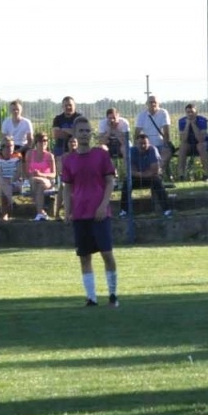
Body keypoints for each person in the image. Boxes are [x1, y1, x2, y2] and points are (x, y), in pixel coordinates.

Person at [61, 116, 119, 307]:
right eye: (81, 131)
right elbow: (67, 187)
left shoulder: (101, 155)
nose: (85, 134)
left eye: (87, 131)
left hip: (100, 214)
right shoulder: (69, 160)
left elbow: (110, 181)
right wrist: (67, 211)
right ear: (75, 134)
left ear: (91, 133)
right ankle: (91, 297)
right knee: (84, 257)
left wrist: (103, 205)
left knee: (107, 254)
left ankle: (112, 295)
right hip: (80, 214)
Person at [122, 130, 173, 216]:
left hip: (151, 177)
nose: (142, 146)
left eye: (145, 143)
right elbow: (130, 170)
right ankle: (124, 211)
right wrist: (143, 174)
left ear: (149, 143)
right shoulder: (131, 151)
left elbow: (155, 170)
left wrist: (141, 174)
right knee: (126, 183)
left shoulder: (153, 150)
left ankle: (166, 210)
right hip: (139, 177)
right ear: (136, 144)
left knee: (158, 182)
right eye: (140, 144)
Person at [134, 96, 173, 178]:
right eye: (150, 102)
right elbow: (137, 133)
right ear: (146, 104)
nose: (153, 104)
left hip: (160, 143)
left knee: (166, 152)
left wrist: (166, 145)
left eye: (155, 102)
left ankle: (156, 173)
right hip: (147, 145)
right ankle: (151, 175)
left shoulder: (163, 113)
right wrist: (137, 145)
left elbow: (166, 132)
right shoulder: (142, 115)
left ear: (158, 103)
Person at [24, 133, 58, 220]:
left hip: (47, 180)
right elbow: (26, 172)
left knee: (37, 182)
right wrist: (33, 174)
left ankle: (40, 213)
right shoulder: (29, 154)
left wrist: (41, 174)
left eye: (46, 140)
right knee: (37, 185)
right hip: (33, 179)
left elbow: (53, 174)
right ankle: (41, 212)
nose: (44, 143)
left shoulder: (50, 156)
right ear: (36, 142)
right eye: (41, 141)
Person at [0, 135, 23, 220]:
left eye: (11, 146)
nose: (10, 148)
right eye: (7, 146)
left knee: (3, 188)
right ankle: (11, 203)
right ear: (2, 147)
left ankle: (4, 215)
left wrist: (9, 181)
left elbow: (19, 173)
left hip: (13, 183)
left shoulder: (17, 156)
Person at [175, 104, 208, 181]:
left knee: (200, 146)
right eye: (188, 112)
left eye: (192, 112)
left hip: (204, 143)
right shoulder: (182, 121)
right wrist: (187, 124)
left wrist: (193, 124)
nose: (190, 114)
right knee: (182, 146)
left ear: (196, 112)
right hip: (189, 144)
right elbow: (183, 139)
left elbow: (201, 139)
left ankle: (206, 174)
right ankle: (181, 175)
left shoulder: (203, 120)